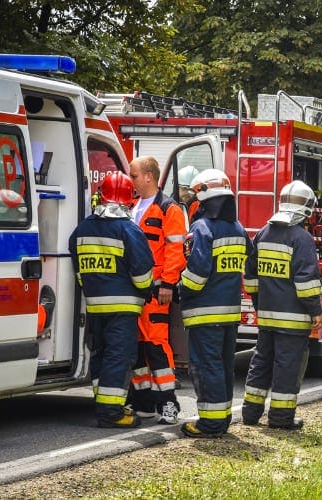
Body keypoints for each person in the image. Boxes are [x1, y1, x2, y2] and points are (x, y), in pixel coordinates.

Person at [68, 172, 154, 428]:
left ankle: (103, 402)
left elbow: (80, 271)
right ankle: (111, 412)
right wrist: (144, 291)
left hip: (95, 305)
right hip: (124, 307)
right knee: (119, 355)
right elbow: (142, 273)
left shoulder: (81, 229)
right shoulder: (129, 229)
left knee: (101, 354)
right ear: (129, 200)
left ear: (101, 196)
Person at [241, 180, 322, 430]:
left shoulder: (263, 234)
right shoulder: (302, 238)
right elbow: (306, 282)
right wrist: (315, 311)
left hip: (266, 317)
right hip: (293, 320)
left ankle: (250, 413)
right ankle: (280, 418)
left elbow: (250, 277)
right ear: (307, 209)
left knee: (261, 362)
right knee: (287, 368)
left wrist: (259, 304)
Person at [178, 169, 251, 439]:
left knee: (206, 366)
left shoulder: (201, 229)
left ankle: (209, 424)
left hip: (204, 314)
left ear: (205, 197)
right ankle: (221, 420)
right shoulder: (238, 228)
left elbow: (197, 274)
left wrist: (180, 288)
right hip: (230, 313)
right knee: (221, 366)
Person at [128, 156, 187, 425]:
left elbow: (176, 249)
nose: (132, 181)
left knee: (157, 347)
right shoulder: (132, 207)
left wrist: (168, 283)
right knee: (138, 348)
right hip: (133, 292)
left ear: (149, 176)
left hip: (156, 292)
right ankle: (143, 404)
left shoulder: (168, 209)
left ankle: (168, 404)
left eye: (135, 176)